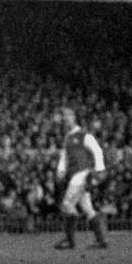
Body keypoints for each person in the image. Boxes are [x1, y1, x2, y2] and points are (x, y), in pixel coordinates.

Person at [51, 107, 109, 250]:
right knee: (88, 209)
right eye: (63, 117)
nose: (65, 119)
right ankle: (101, 240)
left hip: (82, 174)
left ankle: (69, 240)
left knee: (67, 205)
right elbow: (64, 156)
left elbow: (97, 150)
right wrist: (60, 170)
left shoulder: (84, 135)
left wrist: (99, 169)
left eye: (67, 116)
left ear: (74, 117)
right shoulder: (67, 137)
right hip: (75, 175)